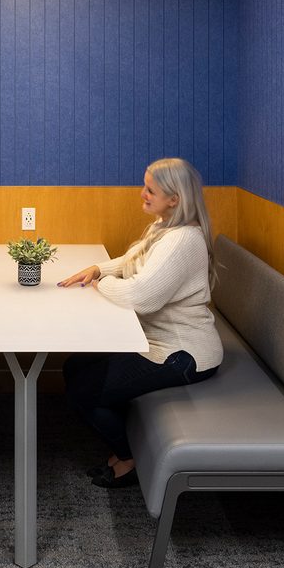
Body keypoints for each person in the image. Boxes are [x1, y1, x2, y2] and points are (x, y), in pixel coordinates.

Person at [59, 157, 222, 488]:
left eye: (150, 189)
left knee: (83, 389)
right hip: (153, 340)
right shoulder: (164, 227)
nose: (142, 193)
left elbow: (140, 297)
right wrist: (99, 269)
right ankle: (129, 442)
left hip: (182, 354)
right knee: (74, 367)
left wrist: (98, 284)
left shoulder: (183, 240)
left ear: (174, 198)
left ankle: (130, 458)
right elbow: (133, 260)